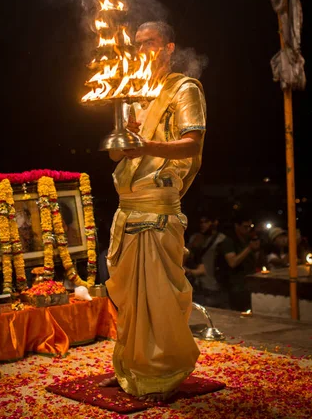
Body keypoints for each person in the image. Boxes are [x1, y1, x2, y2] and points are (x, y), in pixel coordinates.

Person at [102, 20, 206, 401]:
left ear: (169, 47)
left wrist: (145, 145)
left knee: (159, 297)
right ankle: (130, 365)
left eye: (151, 42)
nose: (143, 49)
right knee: (129, 300)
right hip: (126, 207)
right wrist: (127, 136)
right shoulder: (130, 90)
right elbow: (115, 152)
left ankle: (163, 373)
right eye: (138, 43)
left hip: (158, 209)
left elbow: (192, 145)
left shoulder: (184, 89)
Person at [184, 214, 229, 308]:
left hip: (214, 287)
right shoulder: (195, 238)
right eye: (202, 222)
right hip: (197, 286)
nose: (203, 225)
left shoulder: (221, 240)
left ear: (214, 222)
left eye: (206, 222)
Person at [219, 214, 261, 311]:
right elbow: (232, 262)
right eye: (245, 227)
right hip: (236, 287)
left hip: (248, 285)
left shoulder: (246, 239)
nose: (247, 230)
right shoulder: (229, 241)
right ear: (237, 226)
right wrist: (249, 248)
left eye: (249, 227)